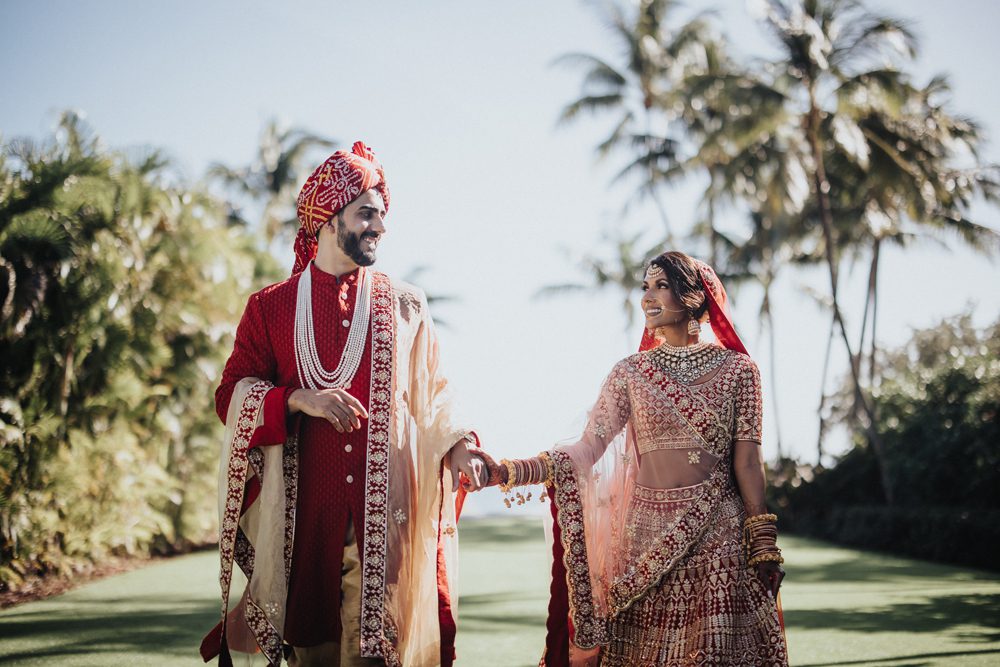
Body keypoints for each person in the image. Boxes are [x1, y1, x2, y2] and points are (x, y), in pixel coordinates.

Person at [200, 141, 486, 667]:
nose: (380, 226)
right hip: (304, 525)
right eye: (367, 214)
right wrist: (298, 399)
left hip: (386, 519)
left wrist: (459, 445)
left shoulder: (406, 303)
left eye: (381, 215)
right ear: (329, 219)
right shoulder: (270, 306)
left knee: (377, 654)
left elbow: (435, 392)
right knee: (313, 655)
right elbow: (230, 394)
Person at [488, 251, 788, 666]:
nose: (648, 297)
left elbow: (749, 463)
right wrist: (512, 470)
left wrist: (763, 542)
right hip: (644, 538)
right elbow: (587, 449)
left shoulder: (740, 371)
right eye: (645, 287)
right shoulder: (630, 373)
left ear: (694, 296)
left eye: (661, 286)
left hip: (719, 534)